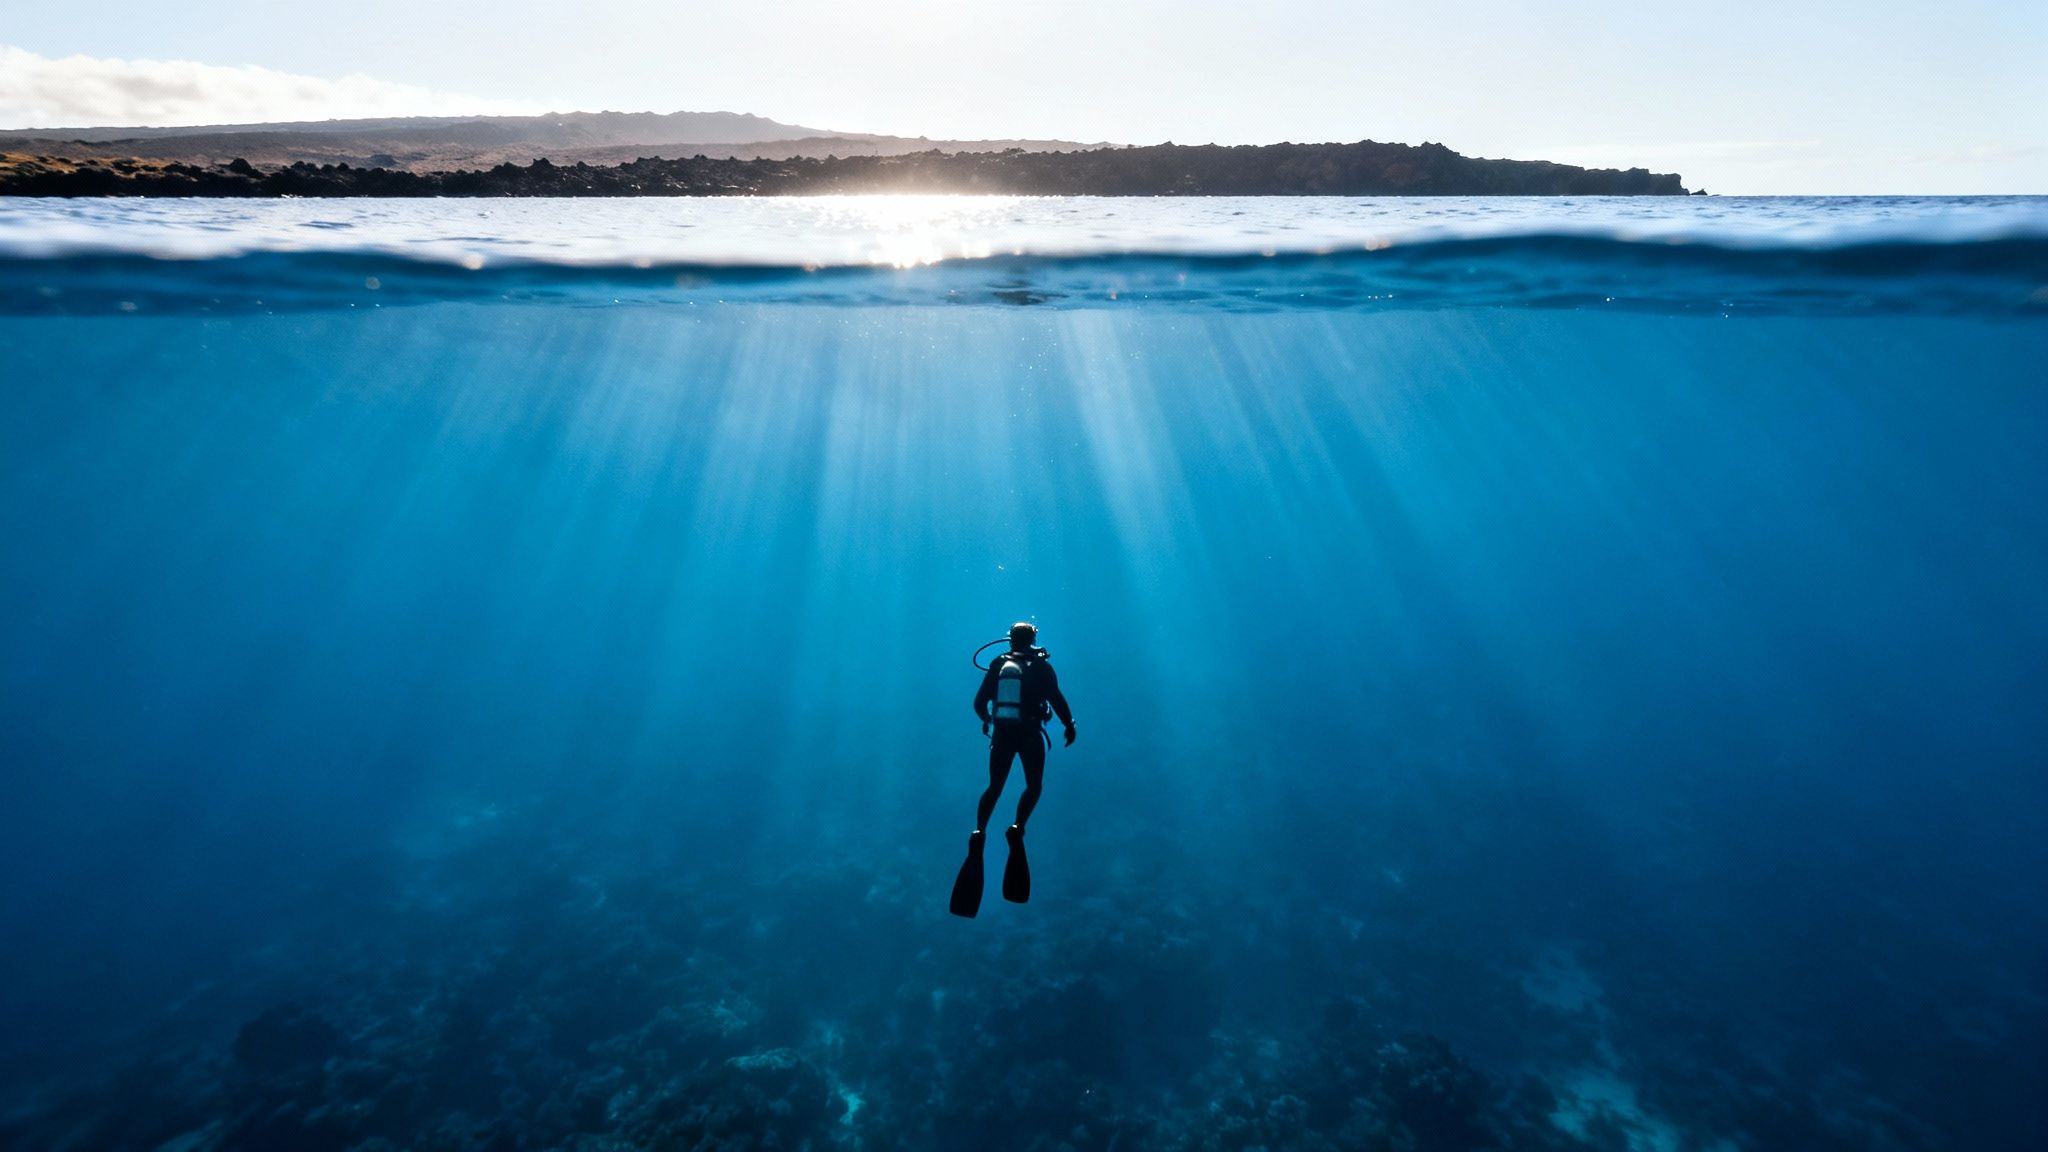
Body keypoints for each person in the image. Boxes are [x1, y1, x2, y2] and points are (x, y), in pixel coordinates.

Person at [950, 622, 1076, 915]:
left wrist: (987, 720)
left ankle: (980, 830)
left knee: (995, 786)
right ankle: (1018, 827)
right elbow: (1057, 699)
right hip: (1031, 735)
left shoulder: (998, 664)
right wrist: (1069, 725)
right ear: (1032, 639)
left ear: (1009, 640)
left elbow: (980, 702)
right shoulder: (1042, 667)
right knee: (1033, 786)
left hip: (1003, 734)